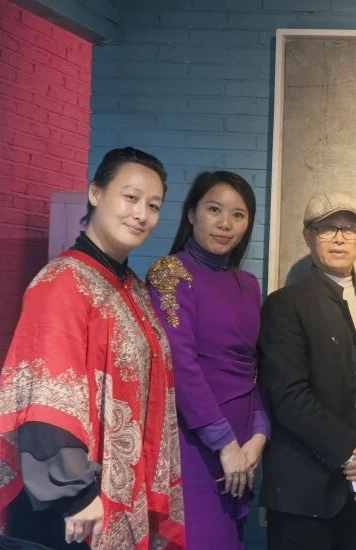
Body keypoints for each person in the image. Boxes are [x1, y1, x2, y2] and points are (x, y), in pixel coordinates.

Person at [0, 147, 184, 549]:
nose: (141, 214)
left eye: (153, 205)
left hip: (114, 487)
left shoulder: (132, 288)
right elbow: (45, 397)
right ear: (95, 193)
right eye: (131, 197)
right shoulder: (63, 282)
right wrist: (76, 492)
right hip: (72, 505)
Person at [258, 192, 356, 549]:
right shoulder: (284, 305)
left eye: (349, 228)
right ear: (308, 236)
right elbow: (289, 396)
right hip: (302, 496)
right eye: (327, 228)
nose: (340, 238)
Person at [146, 171, 265, 549]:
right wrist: (225, 444)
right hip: (196, 440)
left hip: (244, 443)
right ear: (191, 213)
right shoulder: (170, 273)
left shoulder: (248, 284)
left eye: (238, 215)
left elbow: (256, 367)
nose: (225, 223)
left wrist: (259, 436)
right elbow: (180, 367)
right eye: (214, 209)